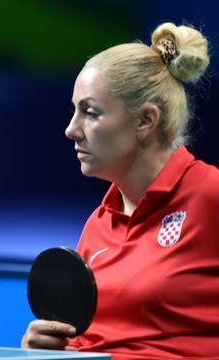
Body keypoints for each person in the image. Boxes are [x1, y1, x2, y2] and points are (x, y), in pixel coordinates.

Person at [21, 22, 218, 359]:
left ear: (145, 121)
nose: (71, 130)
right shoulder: (98, 224)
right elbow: (89, 340)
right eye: (74, 111)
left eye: (90, 113)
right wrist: (48, 349)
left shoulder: (209, 196)